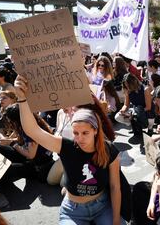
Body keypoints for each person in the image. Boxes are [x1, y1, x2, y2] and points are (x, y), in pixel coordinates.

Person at [13, 75, 124, 225]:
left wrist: (116, 219)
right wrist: (21, 98)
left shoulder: (109, 150)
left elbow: (115, 187)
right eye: (75, 133)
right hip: (73, 211)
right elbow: (33, 131)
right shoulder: (66, 146)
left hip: (102, 206)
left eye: (85, 133)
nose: (79, 138)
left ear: (95, 131)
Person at [0, 104, 54, 183]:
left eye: (9, 120)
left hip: (38, 166)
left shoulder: (30, 130)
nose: (9, 122)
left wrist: (12, 143)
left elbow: (30, 155)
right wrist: (9, 141)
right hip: (30, 158)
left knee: (6, 169)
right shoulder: (26, 123)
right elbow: (23, 141)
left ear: (16, 120)